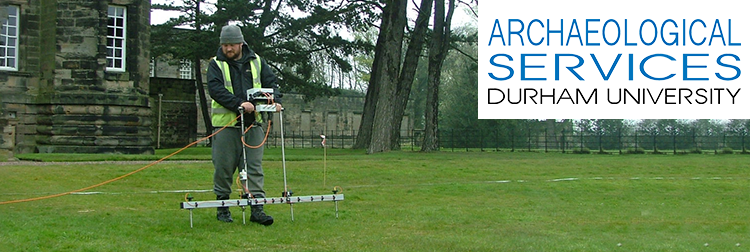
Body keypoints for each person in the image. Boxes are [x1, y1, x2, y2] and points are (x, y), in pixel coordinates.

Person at [206, 24, 282, 225]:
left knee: (254, 167)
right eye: (224, 45)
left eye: (231, 45)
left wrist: (275, 100)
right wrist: (239, 103)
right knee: (223, 167)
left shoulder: (257, 62)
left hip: (253, 125)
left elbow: (272, 84)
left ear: (241, 44)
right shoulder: (216, 64)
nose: (228, 49)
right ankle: (223, 207)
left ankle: (257, 209)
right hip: (226, 126)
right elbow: (215, 90)